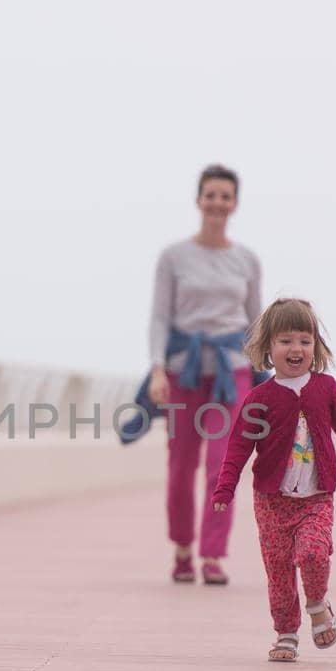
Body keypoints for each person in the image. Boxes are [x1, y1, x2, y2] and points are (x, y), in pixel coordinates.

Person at [212, 298, 336, 661]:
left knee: (314, 552)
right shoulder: (260, 398)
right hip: (272, 500)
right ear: (269, 347)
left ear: (315, 346)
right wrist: (225, 487)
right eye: (286, 340)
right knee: (279, 571)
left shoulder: (326, 389)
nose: (296, 348)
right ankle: (286, 633)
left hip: (317, 496)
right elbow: (239, 446)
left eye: (304, 339)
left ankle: (318, 603)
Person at [146, 163, 264, 585]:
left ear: (234, 203)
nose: (217, 203)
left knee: (222, 467)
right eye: (210, 195)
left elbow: (255, 322)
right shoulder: (174, 256)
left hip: (231, 375)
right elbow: (160, 317)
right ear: (199, 200)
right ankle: (182, 548)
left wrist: (270, 375)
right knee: (181, 467)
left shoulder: (247, 260)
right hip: (184, 373)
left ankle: (213, 554)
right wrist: (158, 369)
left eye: (225, 196)